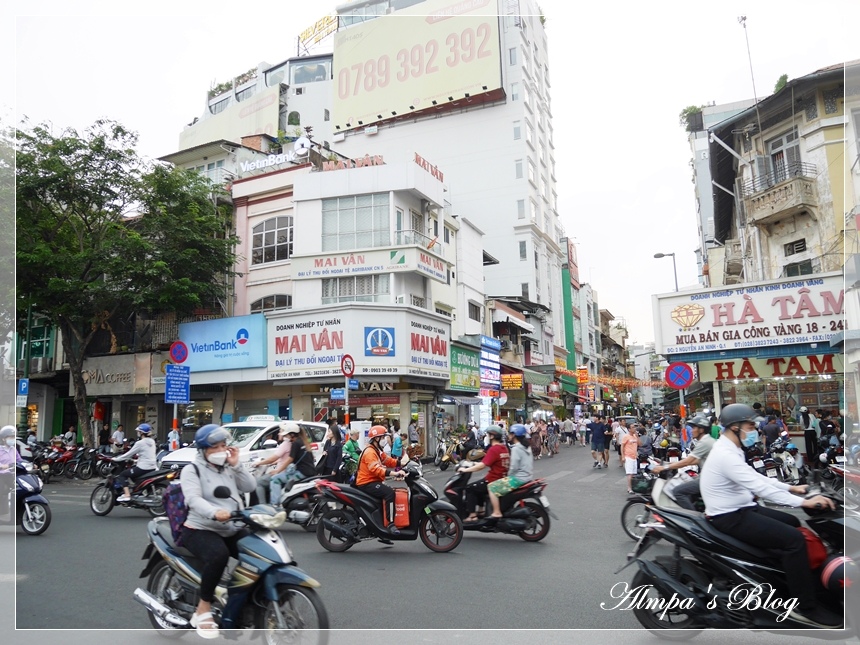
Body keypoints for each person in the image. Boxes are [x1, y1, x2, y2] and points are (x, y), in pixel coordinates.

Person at [700, 403, 840, 628]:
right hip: (730, 516)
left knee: (793, 523)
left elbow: (758, 479)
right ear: (735, 428)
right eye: (750, 425)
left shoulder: (732, 448)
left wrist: (792, 488)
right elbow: (760, 488)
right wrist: (804, 502)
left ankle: (785, 577)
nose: (755, 429)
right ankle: (805, 607)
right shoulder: (725, 454)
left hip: (742, 508)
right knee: (794, 541)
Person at [180, 423, 256, 639]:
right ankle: (203, 607)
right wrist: (215, 512)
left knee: (258, 552)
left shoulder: (228, 467)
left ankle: (237, 599)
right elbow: (193, 499)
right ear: (204, 450)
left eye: (224, 445)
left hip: (231, 527)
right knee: (218, 555)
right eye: (215, 447)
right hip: (199, 528)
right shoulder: (191, 470)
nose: (221, 450)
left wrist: (237, 464)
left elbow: (250, 486)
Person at [651, 415, 714, 509]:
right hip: (707, 476)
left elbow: (688, 461)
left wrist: (664, 467)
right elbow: (695, 460)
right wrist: (669, 464)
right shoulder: (706, 440)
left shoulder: (704, 442)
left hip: (708, 480)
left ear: (701, 430)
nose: (691, 431)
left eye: (694, 428)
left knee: (678, 491)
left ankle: (692, 519)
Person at [355, 425, 408, 533]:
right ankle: (391, 524)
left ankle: (380, 527)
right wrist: (394, 473)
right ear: (376, 439)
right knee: (389, 493)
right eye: (383, 437)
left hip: (373, 481)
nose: (385, 440)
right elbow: (375, 469)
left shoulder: (377, 450)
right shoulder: (370, 452)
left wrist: (402, 463)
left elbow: (387, 460)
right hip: (366, 483)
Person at [457, 427, 510, 523]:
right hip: (502, 478)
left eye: (489, 435)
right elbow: (487, 462)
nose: (487, 437)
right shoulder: (503, 448)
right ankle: (481, 510)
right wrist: (472, 463)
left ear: (492, 436)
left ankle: (472, 516)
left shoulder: (494, 449)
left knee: (470, 488)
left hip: (493, 479)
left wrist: (466, 470)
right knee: (479, 486)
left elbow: (482, 466)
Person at [486, 424, 534, 518]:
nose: (509, 436)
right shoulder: (527, 447)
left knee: (491, 488)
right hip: (528, 477)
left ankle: (496, 512)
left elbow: (513, 467)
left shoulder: (516, 448)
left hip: (518, 479)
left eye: (510, 434)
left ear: (514, 435)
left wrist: (508, 476)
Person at [269, 422, 316, 503]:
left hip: (301, 473)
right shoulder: (304, 441)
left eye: (286, 435)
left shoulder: (296, 443)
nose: (285, 436)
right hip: (310, 472)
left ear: (292, 435)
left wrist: (277, 471)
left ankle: (275, 504)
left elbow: (290, 459)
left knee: (275, 479)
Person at [113, 424, 157, 502]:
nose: (138, 433)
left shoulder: (140, 443)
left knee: (123, 475)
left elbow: (129, 454)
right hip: (153, 467)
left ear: (142, 433)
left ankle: (127, 495)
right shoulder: (152, 441)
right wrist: (135, 461)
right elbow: (147, 455)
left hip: (143, 468)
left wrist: (117, 459)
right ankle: (138, 491)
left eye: (139, 431)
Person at [251, 424, 292, 503]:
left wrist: (259, 463)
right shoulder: (290, 443)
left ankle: (263, 506)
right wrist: (273, 463)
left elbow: (273, 458)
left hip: (282, 472)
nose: (278, 434)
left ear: (285, 433)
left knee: (258, 482)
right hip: (286, 471)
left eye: (280, 431)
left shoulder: (285, 444)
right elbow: (284, 458)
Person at [0, 426, 23, 516]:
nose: (12, 439)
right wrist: (4, 466)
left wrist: (30, 464)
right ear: (3, 438)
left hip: (12, 475)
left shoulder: (13, 449)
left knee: (21, 489)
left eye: (14, 437)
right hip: (1, 475)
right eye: (10, 437)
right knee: (2, 491)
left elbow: (19, 460)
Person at [621, 425, 641, 494]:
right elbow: (622, 446)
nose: (634, 428)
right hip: (628, 456)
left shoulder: (635, 436)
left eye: (635, 427)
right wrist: (623, 456)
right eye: (633, 427)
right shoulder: (626, 437)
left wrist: (637, 437)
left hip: (634, 457)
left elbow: (640, 444)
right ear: (629, 429)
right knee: (629, 473)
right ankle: (629, 488)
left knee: (633, 473)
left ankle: (633, 487)